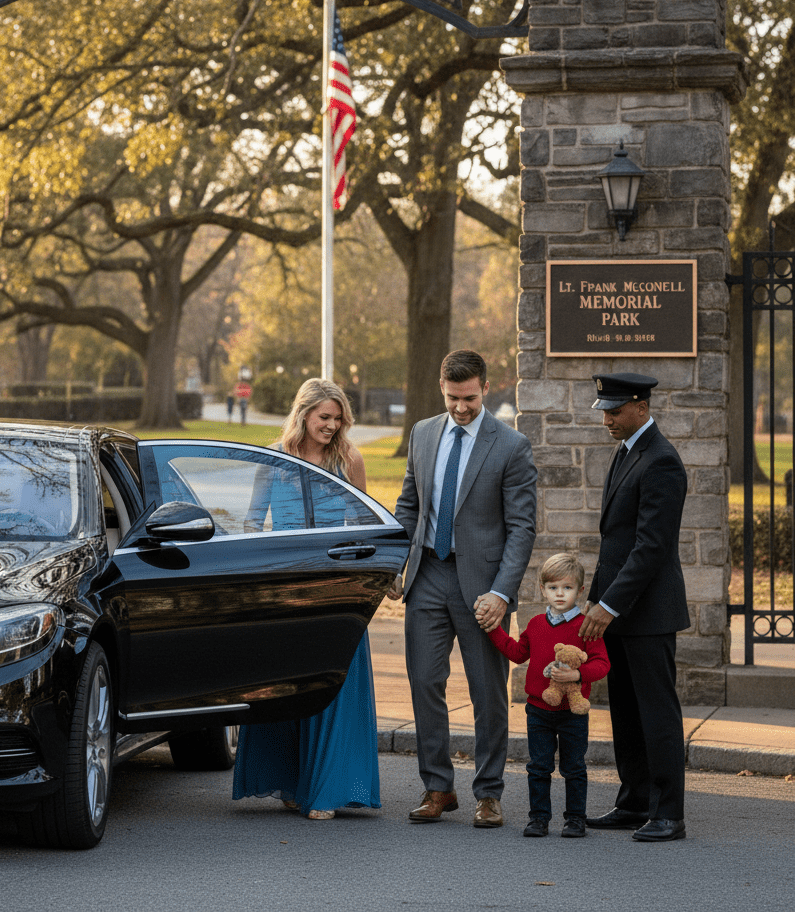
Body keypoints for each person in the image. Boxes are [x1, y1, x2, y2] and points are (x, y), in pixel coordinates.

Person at [389, 349, 537, 828]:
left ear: (485, 389)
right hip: (428, 575)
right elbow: (409, 505)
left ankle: (489, 793)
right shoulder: (422, 433)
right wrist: (395, 563)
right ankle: (437, 787)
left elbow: (521, 527)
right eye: (452, 397)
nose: (460, 407)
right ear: (441, 388)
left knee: (487, 691)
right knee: (425, 681)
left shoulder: (511, 445)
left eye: (469, 398)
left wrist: (502, 592)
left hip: (482, 588)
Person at [232, 378, 374, 820]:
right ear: (303, 414)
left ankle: (327, 790)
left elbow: (367, 522)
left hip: (335, 588)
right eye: (324, 418)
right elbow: (253, 523)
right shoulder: (273, 460)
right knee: (287, 687)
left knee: (331, 688)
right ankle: (291, 781)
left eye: (337, 419)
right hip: (287, 587)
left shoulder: (349, 458)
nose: (331, 426)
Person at [578, 372, 689, 842]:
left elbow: (650, 548)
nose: (606, 418)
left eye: (614, 409)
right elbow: (615, 541)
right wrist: (598, 603)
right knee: (624, 711)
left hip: (647, 614)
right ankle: (634, 801)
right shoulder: (627, 452)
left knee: (656, 714)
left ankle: (669, 813)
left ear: (641, 407)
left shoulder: (661, 461)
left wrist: (608, 604)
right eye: (603, 409)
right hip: (619, 611)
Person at [481, 553, 610, 839]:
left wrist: (578, 675)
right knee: (538, 767)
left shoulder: (586, 626)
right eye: (553, 588)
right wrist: (493, 630)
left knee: (573, 768)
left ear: (579, 590)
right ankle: (539, 818)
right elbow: (517, 653)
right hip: (538, 710)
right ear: (543, 590)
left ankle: (575, 819)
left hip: (573, 713)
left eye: (567, 588)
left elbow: (602, 664)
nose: (560, 593)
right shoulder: (537, 624)